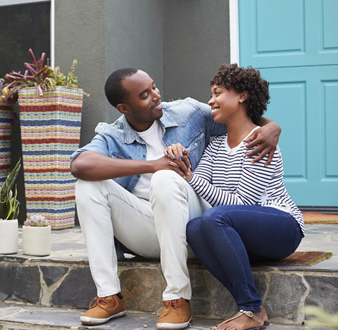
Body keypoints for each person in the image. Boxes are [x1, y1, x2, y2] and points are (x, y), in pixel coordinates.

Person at [69, 67, 282, 329]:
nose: (156, 96)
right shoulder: (112, 135)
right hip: (149, 231)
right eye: (145, 95)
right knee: (88, 186)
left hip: (196, 227)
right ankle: (109, 296)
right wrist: (152, 165)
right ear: (124, 108)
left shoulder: (189, 113)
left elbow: (238, 114)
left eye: (154, 87)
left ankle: (177, 297)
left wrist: (273, 126)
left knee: (166, 178)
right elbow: (80, 164)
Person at [165, 63, 304, 330]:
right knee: (195, 228)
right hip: (244, 234)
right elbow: (199, 180)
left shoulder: (259, 142)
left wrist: (191, 178)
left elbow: (243, 204)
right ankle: (253, 307)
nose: (211, 100)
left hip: (282, 227)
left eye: (217, 92)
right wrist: (180, 156)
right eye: (211, 94)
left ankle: (249, 309)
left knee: (215, 217)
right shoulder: (216, 146)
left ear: (242, 95)